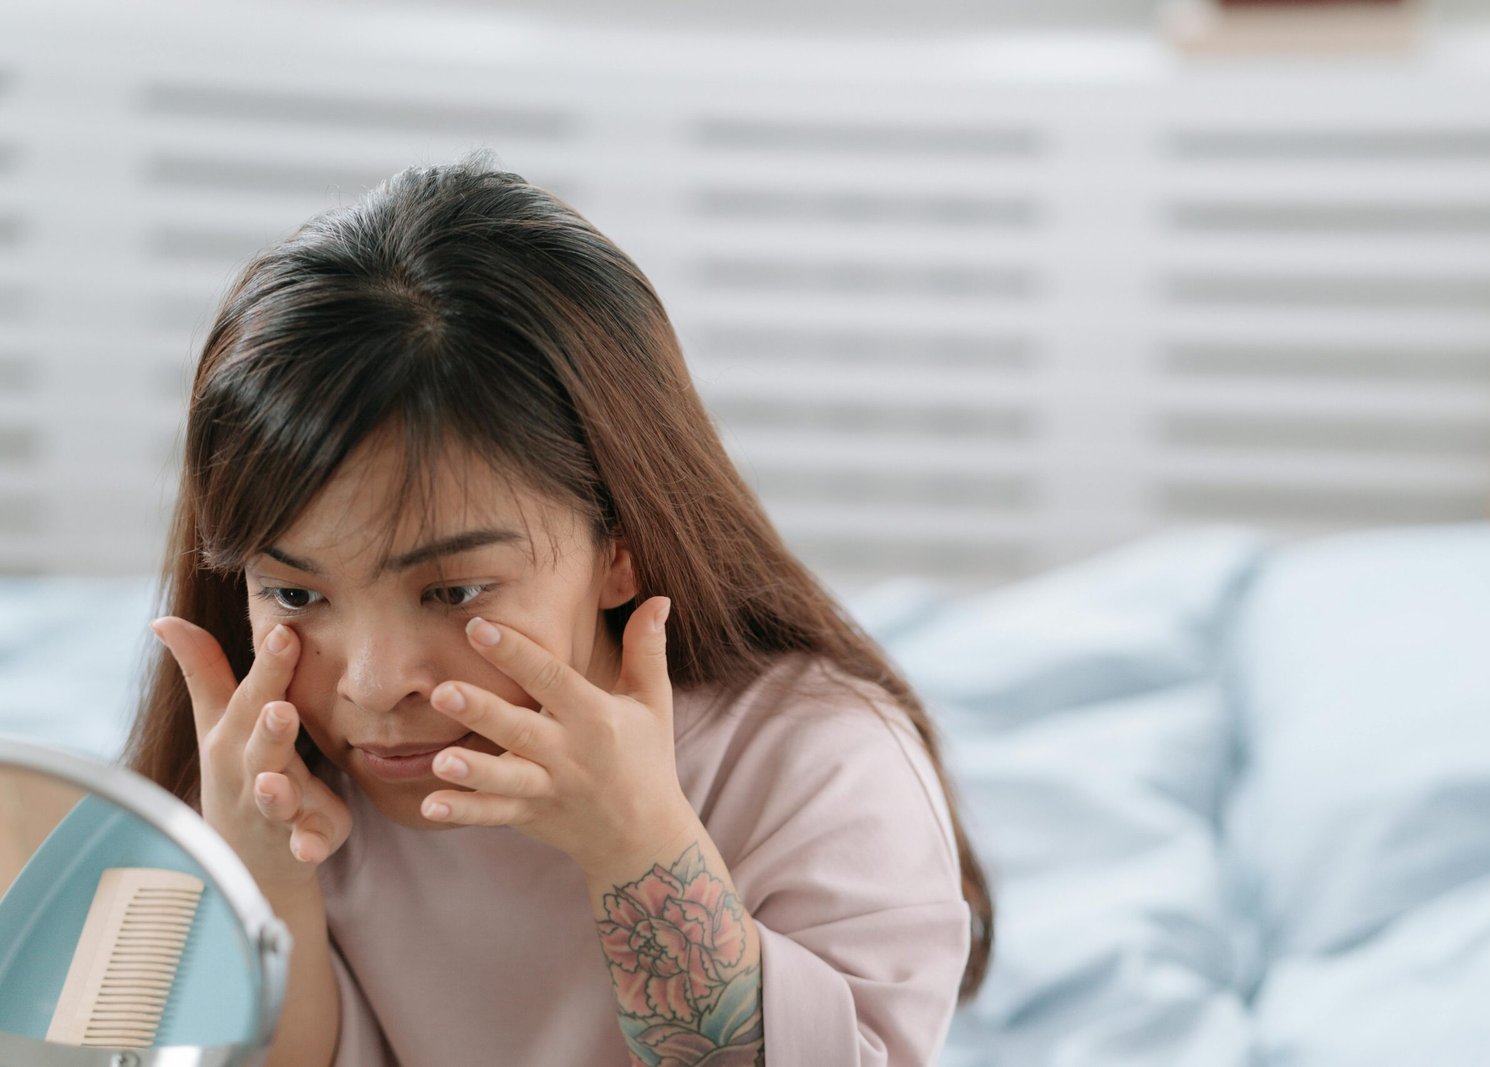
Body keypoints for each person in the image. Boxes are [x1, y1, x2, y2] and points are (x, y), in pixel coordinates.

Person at [124, 149, 992, 1066]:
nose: (376, 685)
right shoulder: (265, 776)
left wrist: (638, 848)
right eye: (297, 592)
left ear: (622, 545)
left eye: (453, 591)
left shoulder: (815, 762)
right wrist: (256, 879)